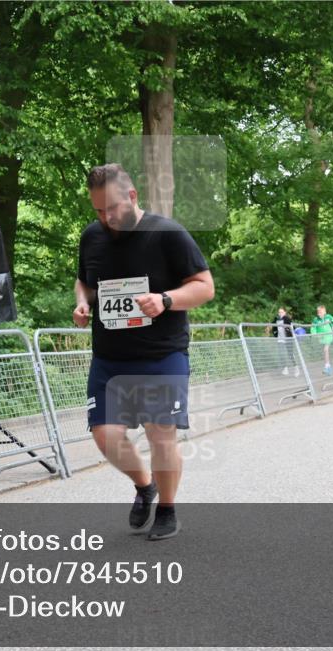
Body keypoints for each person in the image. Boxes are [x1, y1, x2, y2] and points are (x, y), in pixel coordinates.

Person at [74, 163, 214, 540]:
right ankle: (144, 485)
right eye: (98, 211)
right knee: (104, 435)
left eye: (112, 209)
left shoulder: (168, 234)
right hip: (109, 357)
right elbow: (84, 281)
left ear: (132, 197)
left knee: (160, 434)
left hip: (161, 354)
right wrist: (83, 303)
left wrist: (166, 299)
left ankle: (167, 509)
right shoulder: (92, 236)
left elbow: (204, 286)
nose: (105, 218)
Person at [272, 307, 301, 377]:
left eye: (281, 312)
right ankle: (285, 368)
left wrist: (287, 328)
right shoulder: (276, 319)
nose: (280, 314)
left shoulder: (287, 319)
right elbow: (273, 327)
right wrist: (275, 333)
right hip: (280, 339)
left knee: (290, 354)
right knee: (281, 353)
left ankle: (296, 368)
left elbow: (292, 327)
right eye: (279, 312)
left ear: (285, 312)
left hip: (288, 338)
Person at [311, 304, 333, 375]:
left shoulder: (328, 317)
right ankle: (328, 367)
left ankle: (326, 366)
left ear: (325, 312)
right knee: (324, 352)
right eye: (318, 312)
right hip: (321, 337)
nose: (319, 313)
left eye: (321, 312)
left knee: (325, 349)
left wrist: (332, 323)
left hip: (328, 336)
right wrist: (314, 334)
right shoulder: (316, 319)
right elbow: (313, 327)